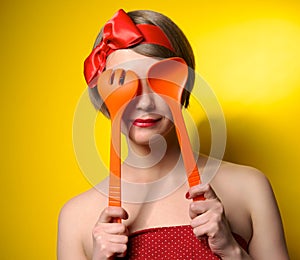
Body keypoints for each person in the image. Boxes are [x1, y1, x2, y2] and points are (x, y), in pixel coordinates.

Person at [57, 9, 289, 259]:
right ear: (103, 96)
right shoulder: (76, 218)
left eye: (160, 80)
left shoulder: (250, 188)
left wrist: (232, 250)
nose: (145, 103)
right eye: (124, 83)